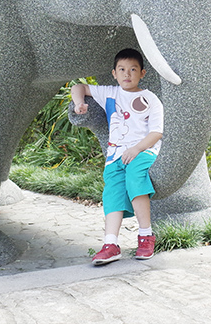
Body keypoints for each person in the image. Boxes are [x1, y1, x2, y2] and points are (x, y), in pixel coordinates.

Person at [71, 48, 164, 265]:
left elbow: (156, 133)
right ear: (114, 73)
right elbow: (79, 87)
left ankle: (146, 235)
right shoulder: (110, 93)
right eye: (122, 69)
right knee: (112, 194)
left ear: (143, 73)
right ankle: (110, 245)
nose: (127, 74)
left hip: (143, 151)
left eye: (133, 69)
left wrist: (136, 150)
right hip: (115, 156)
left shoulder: (150, 98)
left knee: (135, 177)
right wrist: (78, 104)